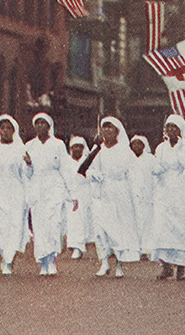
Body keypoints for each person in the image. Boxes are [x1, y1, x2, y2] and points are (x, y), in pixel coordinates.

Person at [23, 113, 76, 276]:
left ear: (49, 126)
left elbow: (65, 169)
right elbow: (27, 174)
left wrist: (72, 193)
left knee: (53, 223)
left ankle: (52, 260)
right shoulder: (30, 145)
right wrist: (28, 164)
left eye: (43, 123)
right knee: (39, 226)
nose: (40, 126)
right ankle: (42, 262)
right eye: (37, 123)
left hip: (54, 186)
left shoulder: (58, 144)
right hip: (37, 187)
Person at [87, 117, 141, 278]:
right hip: (102, 193)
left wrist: (135, 195)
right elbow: (87, 169)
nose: (107, 131)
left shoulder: (125, 151)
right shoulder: (98, 150)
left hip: (120, 192)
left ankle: (119, 264)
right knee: (100, 228)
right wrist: (94, 174)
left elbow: (134, 174)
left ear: (117, 132)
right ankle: (103, 262)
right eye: (104, 128)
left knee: (118, 229)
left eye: (110, 128)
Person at [149, 114, 185, 281]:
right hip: (164, 191)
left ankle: (181, 267)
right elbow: (157, 166)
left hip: (181, 191)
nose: (170, 130)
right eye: (168, 127)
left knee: (181, 228)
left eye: (174, 127)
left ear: (180, 130)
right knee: (163, 227)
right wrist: (155, 168)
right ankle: (166, 266)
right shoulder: (161, 147)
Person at [0, 115, 30, 275]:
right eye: (2, 128)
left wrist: (29, 163)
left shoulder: (20, 149)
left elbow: (27, 174)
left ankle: (9, 261)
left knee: (13, 228)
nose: (5, 131)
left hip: (15, 195)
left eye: (9, 128)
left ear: (14, 130)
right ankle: (4, 255)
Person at [64, 136, 93, 262]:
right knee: (74, 220)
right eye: (74, 147)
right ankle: (77, 246)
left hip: (86, 193)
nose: (77, 149)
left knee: (87, 220)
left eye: (79, 147)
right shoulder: (66, 162)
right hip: (71, 195)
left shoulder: (88, 161)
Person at [129, 134, 157, 260]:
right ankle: (134, 249)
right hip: (132, 195)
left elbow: (156, 177)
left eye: (139, 143)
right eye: (134, 143)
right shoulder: (128, 159)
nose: (136, 146)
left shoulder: (150, 159)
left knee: (147, 222)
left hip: (147, 195)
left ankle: (146, 248)